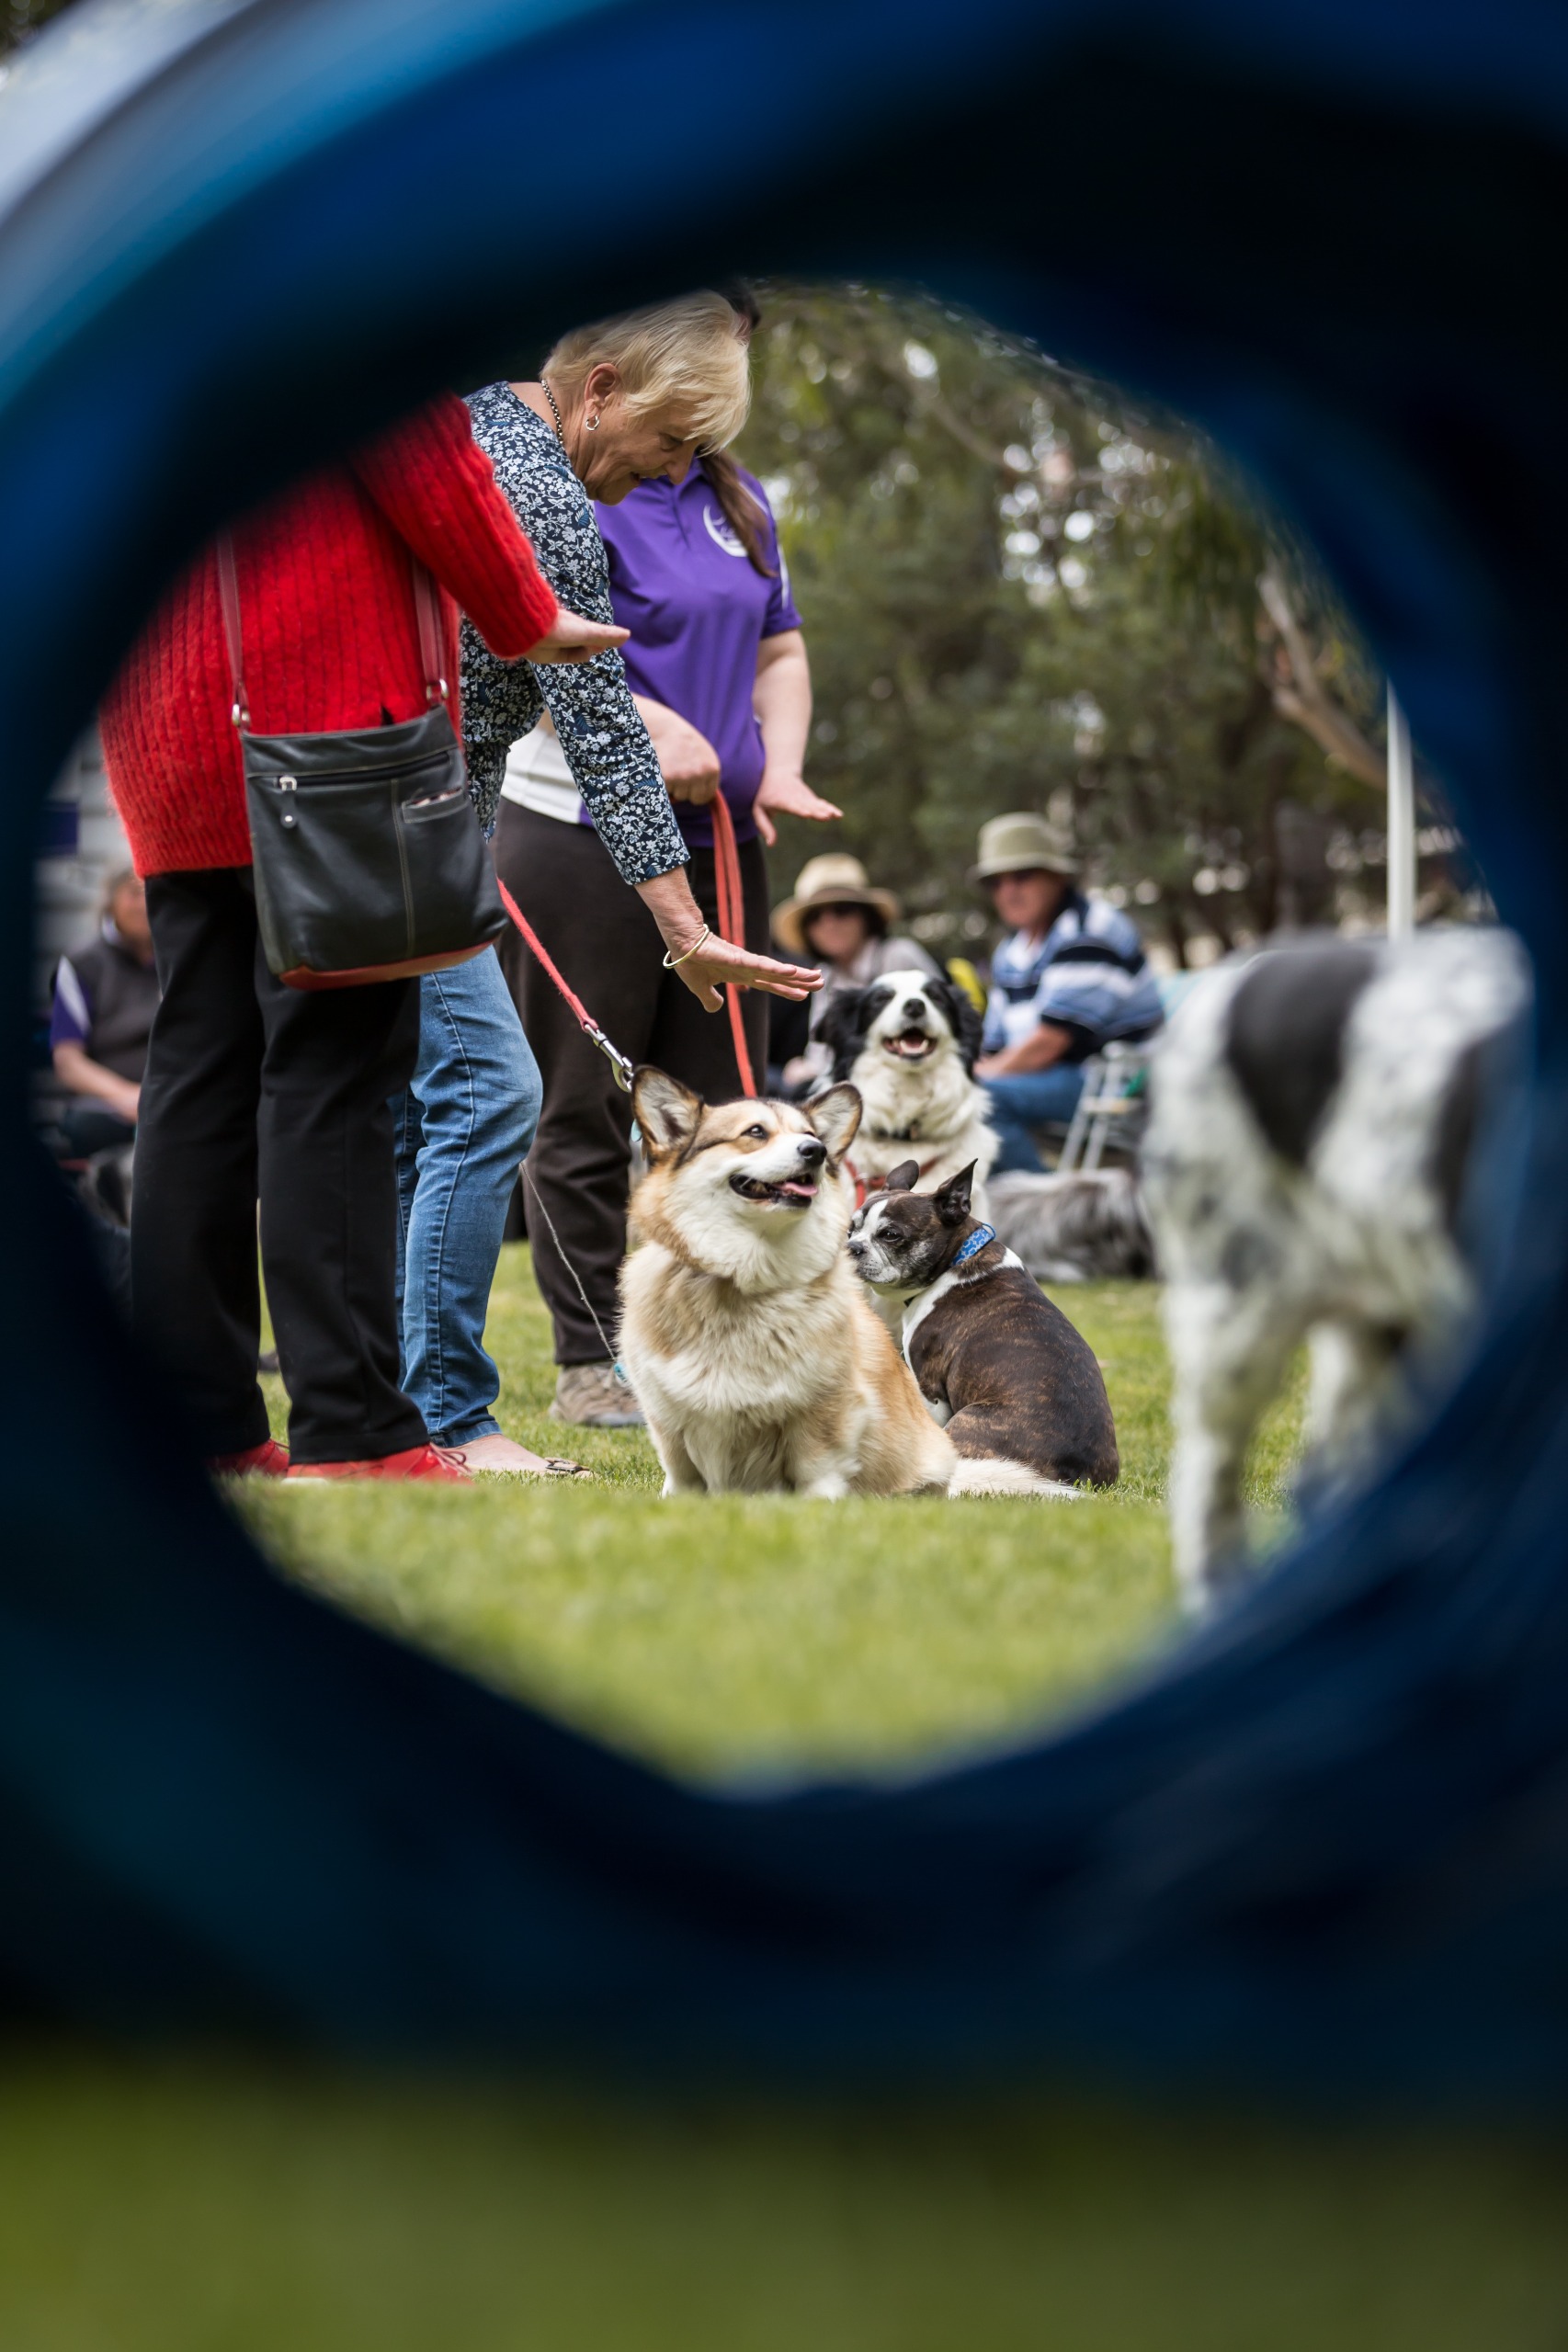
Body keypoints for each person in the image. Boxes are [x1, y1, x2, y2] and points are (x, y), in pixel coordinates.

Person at [103, 392, 620, 1482]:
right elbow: (422, 445)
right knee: (336, 1071)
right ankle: (357, 1429)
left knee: (195, 1070)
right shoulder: (332, 259)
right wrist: (525, 614)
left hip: (161, 715)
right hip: (314, 713)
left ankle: (199, 1424)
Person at [466, 290, 823, 1429]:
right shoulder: (565, 481)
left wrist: (774, 762)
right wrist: (644, 726)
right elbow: (552, 666)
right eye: (682, 422)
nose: (695, 443)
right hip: (569, 832)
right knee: (578, 1106)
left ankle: (723, 1343)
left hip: (718, 839)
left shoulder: (733, 499)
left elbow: (780, 643)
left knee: (726, 1114)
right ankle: (589, 1363)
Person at [971, 812, 1165, 1173]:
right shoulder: (1010, 950)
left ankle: (1039, 1214)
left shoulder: (1089, 929)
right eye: (996, 882)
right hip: (1051, 1080)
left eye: (1022, 876)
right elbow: (995, 1045)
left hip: (1112, 1084)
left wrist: (972, 1080)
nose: (1008, 890)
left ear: (1058, 876)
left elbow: (1049, 1044)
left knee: (981, 1102)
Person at [768, 853, 939, 1094]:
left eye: (842, 910)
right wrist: (804, 1068)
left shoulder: (898, 956)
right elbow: (819, 1052)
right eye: (816, 916)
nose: (829, 923)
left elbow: (935, 1032)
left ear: (865, 917)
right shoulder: (825, 975)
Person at [50, 869, 160, 1157]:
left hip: (172, 1095)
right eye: (133, 894)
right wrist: (125, 1095)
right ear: (111, 902)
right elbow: (68, 1061)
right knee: (88, 1126)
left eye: (150, 893)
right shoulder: (84, 962)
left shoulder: (181, 959)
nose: (143, 904)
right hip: (109, 1102)